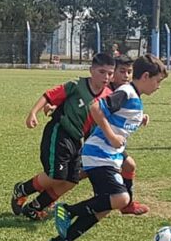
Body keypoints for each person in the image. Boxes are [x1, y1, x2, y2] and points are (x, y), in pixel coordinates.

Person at [47, 55, 167, 241]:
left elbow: (118, 121)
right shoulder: (126, 92)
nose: (158, 86)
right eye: (158, 81)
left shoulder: (134, 96)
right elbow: (96, 108)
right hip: (99, 154)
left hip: (110, 156)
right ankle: (67, 210)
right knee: (120, 198)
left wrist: (136, 122)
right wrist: (111, 136)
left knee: (104, 207)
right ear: (145, 76)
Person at [11, 53, 114, 221]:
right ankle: (22, 190)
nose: (106, 77)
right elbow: (49, 95)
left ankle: (35, 207)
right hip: (60, 131)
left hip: (78, 140)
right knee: (55, 175)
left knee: (72, 180)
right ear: (91, 70)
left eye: (110, 73)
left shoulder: (108, 96)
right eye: (102, 72)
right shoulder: (77, 85)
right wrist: (33, 113)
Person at [107, 55, 150, 215]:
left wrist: (138, 118)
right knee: (74, 175)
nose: (126, 75)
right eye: (122, 71)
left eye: (129, 72)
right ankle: (49, 197)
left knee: (129, 165)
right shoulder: (109, 91)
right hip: (99, 141)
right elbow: (99, 110)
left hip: (110, 142)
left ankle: (127, 204)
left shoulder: (126, 91)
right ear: (113, 72)